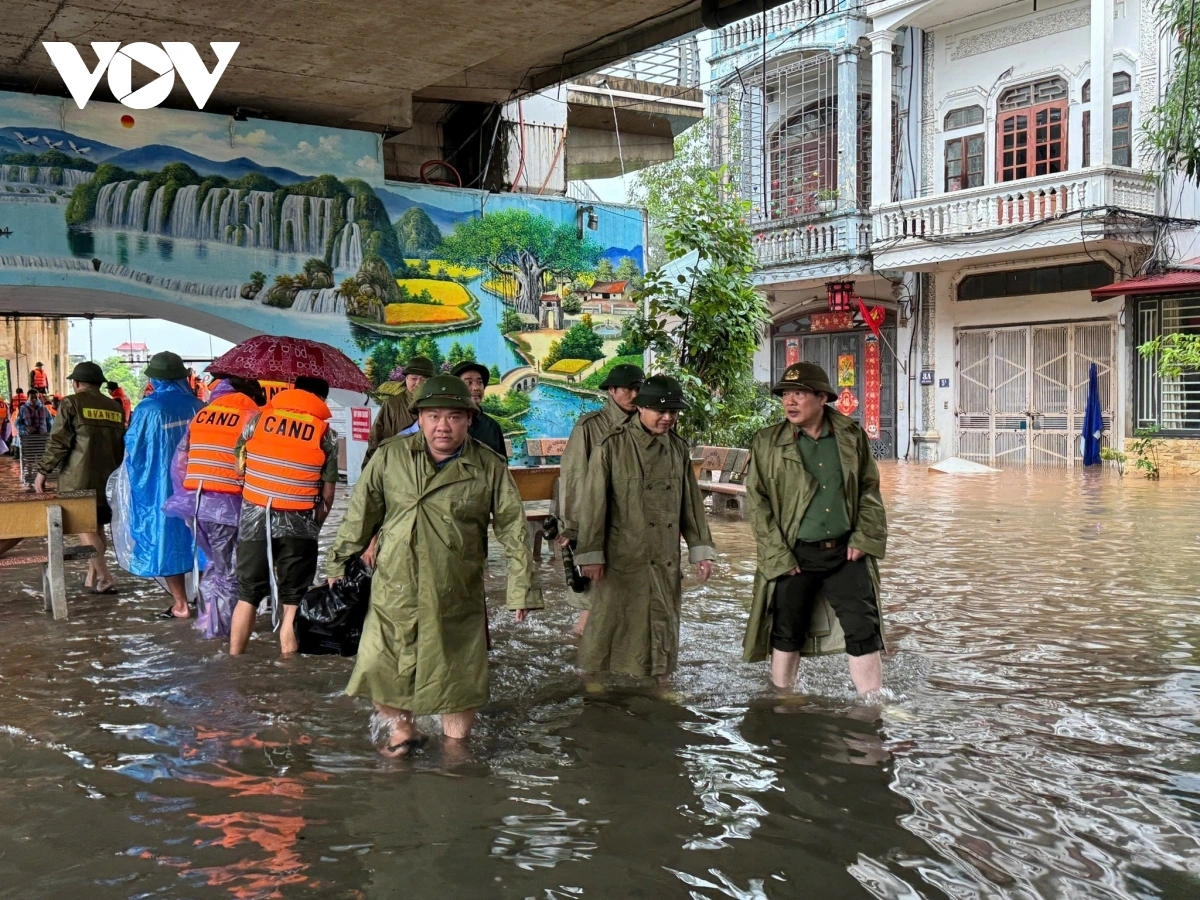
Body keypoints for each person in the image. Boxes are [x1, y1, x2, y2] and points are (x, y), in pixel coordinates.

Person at [327, 375, 541, 755]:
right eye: (434, 416)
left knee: (458, 674)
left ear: (470, 419)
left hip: (455, 587)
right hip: (394, 584)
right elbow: (360, 515)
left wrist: (521, 586)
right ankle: (402, 732)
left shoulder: (488, 466)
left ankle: (457, 755)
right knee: (381, 664)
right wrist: (337, 563)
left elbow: (512, 528)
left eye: (455, 416)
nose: (444, 426)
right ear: (419, 419)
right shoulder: (391, 456)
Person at [741, 362, 888, 696]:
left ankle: (872, 704)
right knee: (786, 630)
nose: (790, 401)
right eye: (785, 395)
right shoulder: (768, 443)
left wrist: (864, 537)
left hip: (846, 553)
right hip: (794, 553)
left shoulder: (851, 436)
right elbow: (758, 504)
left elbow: (869, 490)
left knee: (864, 627)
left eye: (800, 394)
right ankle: (783, 700)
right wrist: (777, 554)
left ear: (822, 398)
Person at [574, 375, 716, 679]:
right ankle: (595, 682)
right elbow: (593, 505)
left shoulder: (678, 449)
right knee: (608, 622)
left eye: (673, 413)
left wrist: (700, 551)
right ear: (640, 408)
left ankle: (661, 683)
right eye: (659, 411)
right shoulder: (612, 446)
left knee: (662, 619)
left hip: (663, 555)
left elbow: (690, 503)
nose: (667, 418)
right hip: (622, 555)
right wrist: (591, 554)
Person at [229, 376, 339, 656]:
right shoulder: (325, 433)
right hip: (299, 523)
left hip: (255, 518)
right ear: (321, 400)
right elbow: (327, 494)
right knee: (293, 600)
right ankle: (288, 667)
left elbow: (240, 469)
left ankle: (234, 661)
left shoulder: (256, 421)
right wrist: (316, 526)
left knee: (247, 595)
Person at [163, 378, 262, 639]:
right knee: (229, 570)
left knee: (215, 566)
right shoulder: (252, 417)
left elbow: (179, 462)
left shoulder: (202, 416)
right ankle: (222, 633)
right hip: (228, 506)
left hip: (195, 503)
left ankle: (210, 621)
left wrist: (184, 503)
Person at [555, 363, 643, 635]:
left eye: (639, 389)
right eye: (628, 389)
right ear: (612, 391)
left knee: (632, 592)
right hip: (598, 523)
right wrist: (573, 527)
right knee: (595, 594)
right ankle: (582, 653)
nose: (634, 395)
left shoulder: (646, 425)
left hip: (636, 525)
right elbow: (573, 478)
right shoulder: (590, 427)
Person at [120, 351, 205, 618]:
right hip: (197, 486)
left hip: (160, 489)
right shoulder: (199, 407)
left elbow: (134, 449)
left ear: (155, 378)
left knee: (165, 540)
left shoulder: (148, 408)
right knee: (200, 540)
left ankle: (181, 604)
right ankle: (206, 601)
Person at [32, 361, 125, 592]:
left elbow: (59, 442)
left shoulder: (71, 402)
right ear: (99, 383)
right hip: (108, 480)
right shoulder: (115, 407)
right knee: (98, 528)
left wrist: (43, 471)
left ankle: (106, 577)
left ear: (76, 383)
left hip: (78, 478)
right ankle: (92, 577)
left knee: (86, 528)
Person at [363, 356, 435, 466]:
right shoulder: (392, 405)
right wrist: (371, 469)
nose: (418, 383)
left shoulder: (439, 404)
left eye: (424, 379)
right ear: (406, 379)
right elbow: (376, 439)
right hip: (398, 466)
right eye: (414, 379)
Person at [451, 360, 507, 457]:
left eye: (480, 382)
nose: (476, 388)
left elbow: (501, 468)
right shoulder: (443, 425)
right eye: (468, 382)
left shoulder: (492, 427)